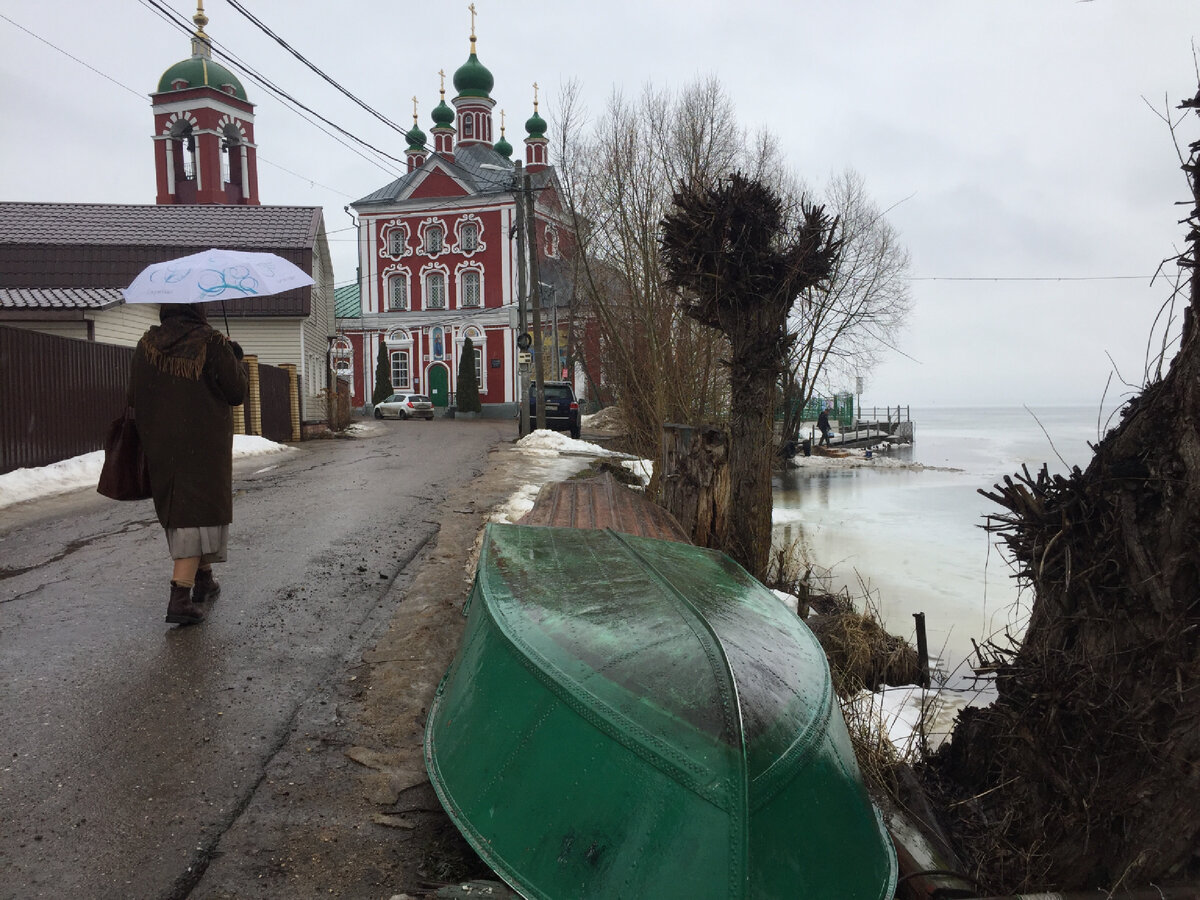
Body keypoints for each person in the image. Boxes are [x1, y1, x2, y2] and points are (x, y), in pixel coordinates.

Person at [129, 303, 247, 625]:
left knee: (183, 511)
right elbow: (236, 392)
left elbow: (134, 394)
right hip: (204, 445)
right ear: (199, 309)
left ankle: (204, 580)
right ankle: (179, 595)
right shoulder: (211, 343)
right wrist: (234, 358)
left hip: (161, 444)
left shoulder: (146, 346)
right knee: (198, 515)